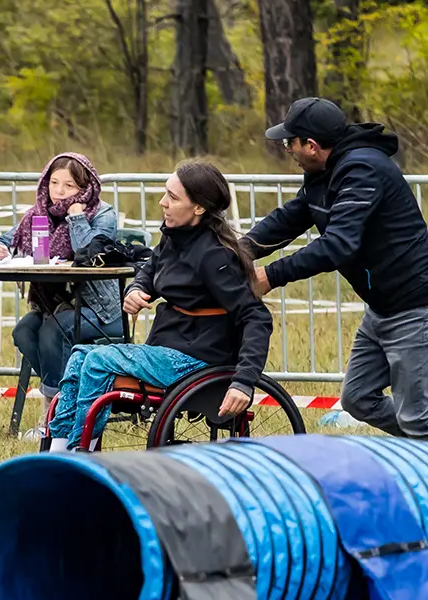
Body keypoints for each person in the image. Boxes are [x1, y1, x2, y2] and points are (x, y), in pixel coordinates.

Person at [247, 97, 428, 442]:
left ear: (312, 145)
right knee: (358, 398)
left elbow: (338, 244)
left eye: (291, 142)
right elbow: (292, 217)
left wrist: (270, 276)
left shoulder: (362, 170)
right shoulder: (322, 172)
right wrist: (240, 251)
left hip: (418, 302)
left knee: (416, 415)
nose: (288, 149)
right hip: (384, 305)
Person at [44, 161, 272, 451]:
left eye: (173, 197)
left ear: (199, 208)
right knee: (79, 357)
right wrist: (137, 289)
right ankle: (57, 451)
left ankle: (82, 453)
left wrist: (244, 381)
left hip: (198, 358)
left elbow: (256, 317)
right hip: (170, 346)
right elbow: (149, 270)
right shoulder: (173, 237)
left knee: (98, 361)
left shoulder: (214, 256)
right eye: (166, 193)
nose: (163, 202)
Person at [0, 152, 123, 395]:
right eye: (54, 183)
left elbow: (89, 254)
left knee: (53, 330)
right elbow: (9, 237)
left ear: (85, 187)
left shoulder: (102, 214)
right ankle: (65, 396)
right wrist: (1, 246)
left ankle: (55, 414)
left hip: (101, 312)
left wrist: (76, 216)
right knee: (24, 331)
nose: (59, 191)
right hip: (54, 307)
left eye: (69, 185)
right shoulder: (39, 212)